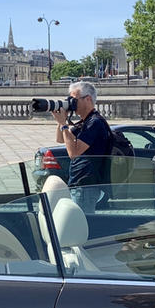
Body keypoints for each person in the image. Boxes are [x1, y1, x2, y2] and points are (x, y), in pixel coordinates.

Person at [51, 80, 112, 214]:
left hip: (86, 185)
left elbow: (73, 153)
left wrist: (64, 125)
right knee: (80, 221)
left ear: (88, 99)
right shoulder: (86, 122)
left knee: (82, 222)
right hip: (80, 183)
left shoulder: (95, 122)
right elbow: (60, 139)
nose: (71, 104)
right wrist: (61, 122)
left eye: (74, 100)